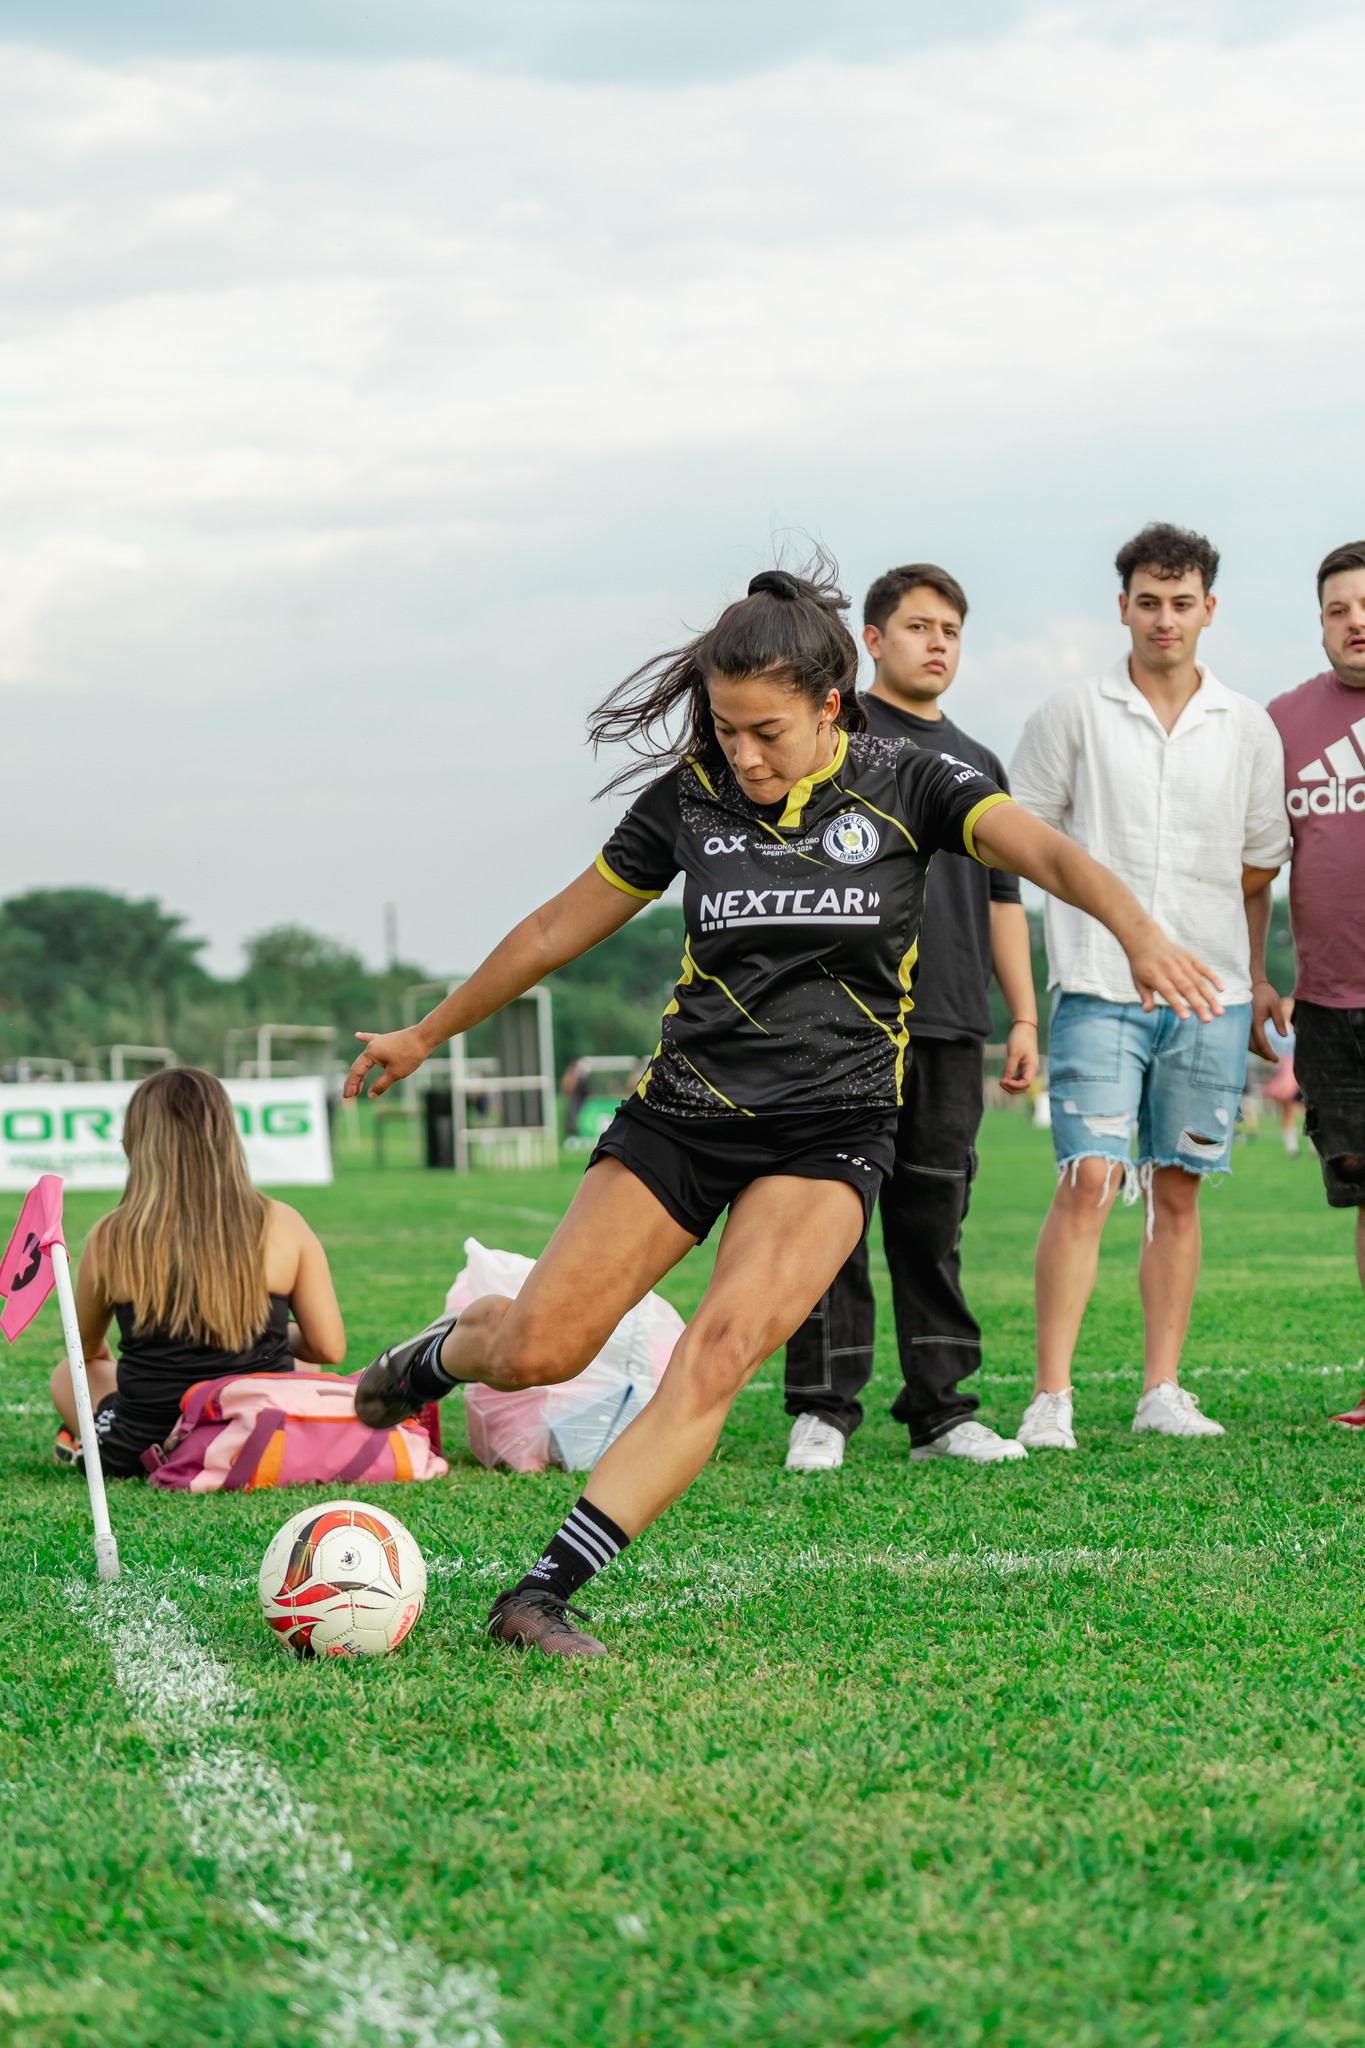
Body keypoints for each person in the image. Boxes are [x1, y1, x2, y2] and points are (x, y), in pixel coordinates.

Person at [344, 556, 1222, 1661]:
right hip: (684, 1114)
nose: (743, 753)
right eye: (725, 727)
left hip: (832, 1129)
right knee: (535, 1351)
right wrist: (427, 1030)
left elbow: (1041, 850)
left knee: (717, 1354)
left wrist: (1136, 930)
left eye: (767, 730)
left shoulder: (914, 783)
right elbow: (554, 929)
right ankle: (439, 1355)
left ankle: (543, 1592)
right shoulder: (689, 800)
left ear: (829, 705)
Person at [1009, 522, 1290, 1451]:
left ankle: (1159, 1388)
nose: (1163, 619)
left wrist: (1252, 980)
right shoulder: (1070, 714)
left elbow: (1257, 870)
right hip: (1094, 983)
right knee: (1087, 1178)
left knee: (1177, 1190)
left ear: (1208, 609)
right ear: (1120, 606)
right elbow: (1024, 842)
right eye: (1146, 602)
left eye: (1181, 603)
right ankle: (1050, 1398)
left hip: (1208, 995)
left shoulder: (1247, 727)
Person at [782, 562, 1038, 1473]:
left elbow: (1005, 899)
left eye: (951, 631)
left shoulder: (979, 760)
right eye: (920, 626)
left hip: (949, 1025)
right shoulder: (836, 737)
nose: (937, 643)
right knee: (828, 1221)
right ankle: (820, 1408)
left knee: (934, 1222)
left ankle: (941, 1412)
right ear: (873, 641)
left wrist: (1020, 1018)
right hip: (845, 1023)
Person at [50, 1067, 346, 1476]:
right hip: (257, 1441)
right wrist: (263, 1327)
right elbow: (327, 1348)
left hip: (143, 1445)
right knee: (303, 1366)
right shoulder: (282, 1223)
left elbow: (81, 1352)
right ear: (225, 1137)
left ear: (137, 1143)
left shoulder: (112, 1235)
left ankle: (89, 1435)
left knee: (66, 1375)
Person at [1257, 540, 1365, 1425]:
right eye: (1338, 609)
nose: (1356, 621)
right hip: (1330, 1000)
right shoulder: (1281, 722)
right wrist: (1258, 975)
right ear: (1320, 621)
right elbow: (1255, 865)